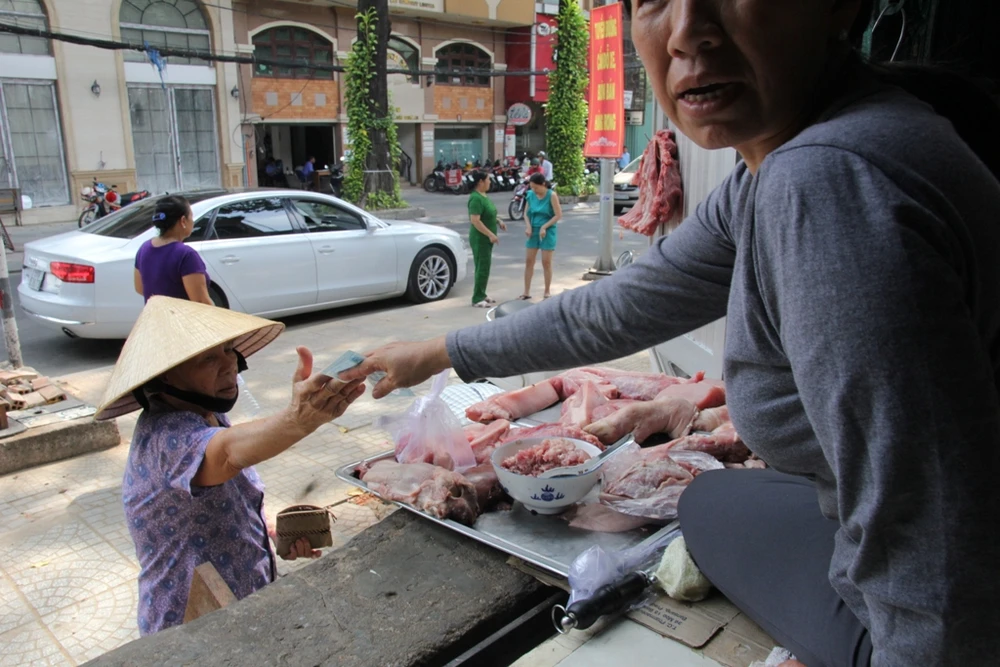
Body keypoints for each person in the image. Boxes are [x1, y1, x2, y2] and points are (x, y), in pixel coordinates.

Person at [340, 0, 1000, 664]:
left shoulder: (823, 181)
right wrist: (436, 351)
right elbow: (617, 308)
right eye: (655, 0)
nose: (687, 32)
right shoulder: (787, 159)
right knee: (714, 497)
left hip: (959, 617)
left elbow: (935, 546)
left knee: (712, 508)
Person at [96, 296, 365, 636]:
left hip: (242, 604)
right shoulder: (166, 438)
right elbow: (226, 454)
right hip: (190, 623)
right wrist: (299, 419)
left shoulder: (209, 415)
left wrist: (269, 533)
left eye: (227, 350)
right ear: (165, 378)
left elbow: (230, 478)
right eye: (208, 358)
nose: (229, 365)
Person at [134, 196, 213, 305]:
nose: (192, 221)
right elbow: (200, 301)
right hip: (181, 320)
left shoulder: (144, 248)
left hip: (155, 318)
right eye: (191, 216)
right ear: (183, 221)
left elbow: (139, 288)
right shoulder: (186, 255)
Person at [467, 170, 506, 308]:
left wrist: (498, 221)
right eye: (488, 179)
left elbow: (487, 214)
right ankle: (477, 298)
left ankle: (482, 293)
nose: (490, 182)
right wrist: (490, 234)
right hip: (480, 238)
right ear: (480, 182)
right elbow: (475, 221)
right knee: (482, 267)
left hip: (486, 238)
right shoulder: (475, 198)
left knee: (485, 266)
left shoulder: (483, 196)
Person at [519, 173, 562, 300]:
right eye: (532, 187)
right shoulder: (530, 195)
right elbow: (526, 214)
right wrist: (528, 226)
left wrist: (544, 227)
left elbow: (558, 215)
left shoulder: (551, 195)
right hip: (533, 230)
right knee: (529, 261)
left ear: (543, 184)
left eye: (536, 187)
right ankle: (526, 291)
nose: (534, 190)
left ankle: (547, 291)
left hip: (547, 230)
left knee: (546, 262)